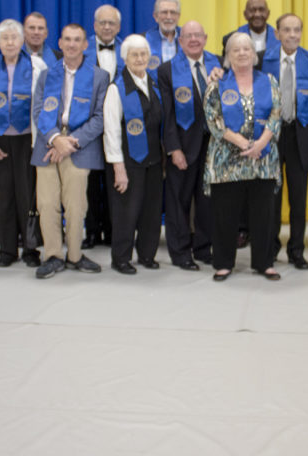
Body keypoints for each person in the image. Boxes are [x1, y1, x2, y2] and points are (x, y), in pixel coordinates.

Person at [31, 23, 109, 278]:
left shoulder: (99, 76)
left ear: (86, 44)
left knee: (76, 205)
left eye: (77, 40)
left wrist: (70, 142)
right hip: (49, 144)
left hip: (79, 145)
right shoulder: (46, 75)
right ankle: (53, 255)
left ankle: (74, 255)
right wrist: (55, 139)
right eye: (67, 39)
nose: (72, 44)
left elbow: (99, 118)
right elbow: (38, 111)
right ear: (60, 43)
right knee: (46, 202)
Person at [204, 32, 282, 281]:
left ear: (254, 53)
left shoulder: (269, 81)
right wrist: (242, 142)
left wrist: (259, 144)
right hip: (227, 160)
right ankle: (224, 263)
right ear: (227, 56)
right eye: (235, 50)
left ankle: (264, 262)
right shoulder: (217, 85)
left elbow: (276, 114)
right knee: (225, 214)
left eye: (246, 49)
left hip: (263, 158)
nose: (241, 53)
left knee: (263, 214)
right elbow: (213, 119)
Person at [0, 19, 48, 267]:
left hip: (28, 140)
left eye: (14, 38)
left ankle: (30, 248)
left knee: (28, 197)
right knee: (2, 196)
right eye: (4, 38)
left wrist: (40, 143)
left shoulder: (37, 66)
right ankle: (7, 250)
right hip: (0, 141)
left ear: (22, 40)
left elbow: (44, 108)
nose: (9, 42)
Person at [157, 21, 222, 270]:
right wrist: (173, 149)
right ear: (180, 41)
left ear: (205, 39)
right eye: (188, 36)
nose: (193, 39)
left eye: (198, 35)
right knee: (178, 201)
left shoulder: (220, 65)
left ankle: (204, 248)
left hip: (215, 145)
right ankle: (180, 251)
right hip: (183, 146)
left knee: (208, 200)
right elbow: (167, 114)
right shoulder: (167, 70)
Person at [269, 13, 308, 269]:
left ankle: (296, 249)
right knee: (270, 195)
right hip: (270, 137)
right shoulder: (263, 61)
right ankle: (270, 247)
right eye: (287, 30)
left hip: (300, 135)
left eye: (297, 30)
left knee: (298, 195)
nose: (292, 35)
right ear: (277, 34)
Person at [103, 36, 164, 274]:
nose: (140, 59)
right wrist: (119, 168)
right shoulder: (116, 89)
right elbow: (111, 132)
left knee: (151, 210)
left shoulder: (155, 85)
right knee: (126, 212)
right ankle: (120, 258)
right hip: (128, 161)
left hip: (154, 160)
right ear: (125, 58)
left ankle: (147, 254)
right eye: (134, 55)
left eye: (143, 54)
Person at [82, 4, 123, 250]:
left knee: (114, 180)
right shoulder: (82, 47)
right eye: (102, 23)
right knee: (89, 182)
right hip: (89, 124)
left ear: (118, 27)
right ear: (95, 25)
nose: (107, 27)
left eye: (112, 23)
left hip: (118, 125)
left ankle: (113, 230)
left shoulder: (128, 48)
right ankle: (91, 232)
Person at [221, 0, 279, 71]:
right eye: (252, 10)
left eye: (261, 10)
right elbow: (226, 69)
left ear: (268, 14)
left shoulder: (280, 39)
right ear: (245, 14)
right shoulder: (230, 39)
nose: (257, 14)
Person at [143, 0, 181, 72]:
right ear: (155, 16)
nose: (168, 17)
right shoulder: (143, 40)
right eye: (164, 12)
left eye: (173, 12)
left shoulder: (189, 38)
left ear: (178, 16)